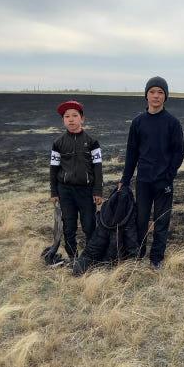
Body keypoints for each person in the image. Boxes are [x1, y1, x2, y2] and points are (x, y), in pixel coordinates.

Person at [119, 76, 184, 269]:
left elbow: (178, 153)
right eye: (152, 92)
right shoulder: (138, 122)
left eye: (160, 92)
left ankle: (157, 259)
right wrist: (125, 178)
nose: (156, 96)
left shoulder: (173, 123)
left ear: (165, 97)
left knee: (162, 221)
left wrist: (168, 177)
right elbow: (132, 153)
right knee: (141, 219)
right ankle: (138, 254)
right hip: (144, 181)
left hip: (163, 182)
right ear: (146, 95)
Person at [50, 100, 103, 262]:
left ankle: (90, 257)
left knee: (89, 225)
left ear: (82, 119)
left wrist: (97, 191)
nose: (71, 119)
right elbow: (53, 169)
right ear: (63, 120)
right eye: (67, 116)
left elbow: (97, 168)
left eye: (74, 116)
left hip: (86, 192)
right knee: (69, 226)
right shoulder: (58, 143)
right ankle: (73, 258)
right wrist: (54, 192)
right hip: (65, 192)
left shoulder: (92, 142)